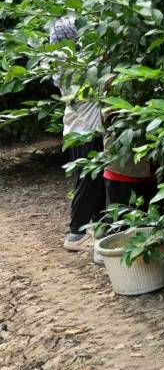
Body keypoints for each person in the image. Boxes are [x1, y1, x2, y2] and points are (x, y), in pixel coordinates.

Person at [49, 17, 107, 251]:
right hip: (86, 131)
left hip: (78, 130)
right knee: (88, 182)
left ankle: (99, 226)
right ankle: (76, 234)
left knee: (94, 180)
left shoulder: (62, 63)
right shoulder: (77, 66)